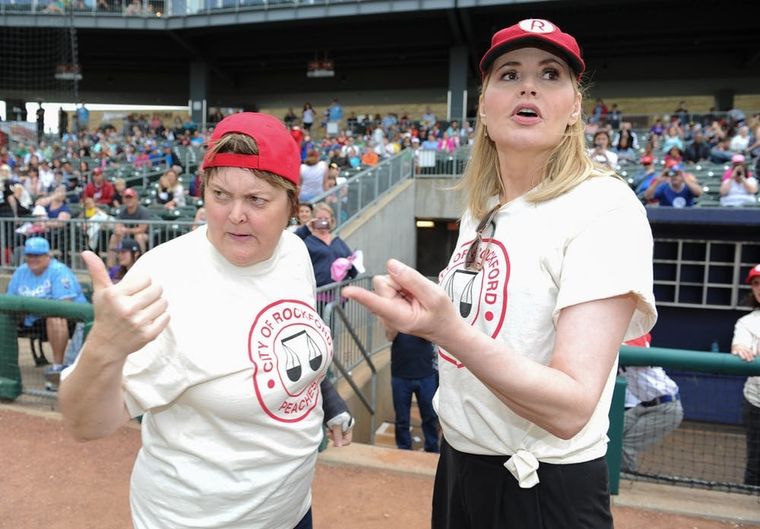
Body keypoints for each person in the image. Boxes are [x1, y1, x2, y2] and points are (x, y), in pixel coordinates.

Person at [343, 18, 656, 529]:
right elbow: (481, 325)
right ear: (483, 107)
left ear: (575, 107)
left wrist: (448, 332)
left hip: (541, 486)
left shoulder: (604, 207)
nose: (529, 84)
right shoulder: (483, 208)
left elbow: (571, 405)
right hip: (461, 465)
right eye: (508, 74)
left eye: (550, 74)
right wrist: (414, 315)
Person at [59, 112, 353, 529]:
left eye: (256, 199)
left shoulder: (294, 253)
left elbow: (292, 351)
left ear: (293, 207)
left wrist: (331, 405)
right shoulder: (164, 276)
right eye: (220, 195)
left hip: (292, 512)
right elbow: (83, 424)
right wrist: (103, 348)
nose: (235, 214)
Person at [7, 237, 87, 381]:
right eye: (29, 255)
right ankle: (5, 367)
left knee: (55, 316)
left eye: (37, 255)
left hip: (73, 319)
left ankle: (58, 366)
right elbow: (9, 301)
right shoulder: (21, 271)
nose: (32, 259)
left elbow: (64, 306)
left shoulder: (58, 271)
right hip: (33, 319)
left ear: (47, 256)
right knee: (4, 317)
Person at [620, 333, 683, 473]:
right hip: (642, 405)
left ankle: (626, 481)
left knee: (626, 446)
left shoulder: (635, 336)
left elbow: (642, 338)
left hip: (666, 406)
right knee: (611, 436)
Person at [295, 202, 358, 314]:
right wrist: (307, 228)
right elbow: (293, 242)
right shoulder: (307, 240)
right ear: (313, 220)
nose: (323, 221)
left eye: (326, 218)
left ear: (331, 220)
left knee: (333, 329)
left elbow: (351, 264)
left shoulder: (337, 240)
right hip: (316, 296)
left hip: (337, 295)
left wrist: (353, 266)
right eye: (319, 218)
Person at [386, 328, 440, 453]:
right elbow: (389, 336)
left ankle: (432, 450)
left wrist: (414, 321)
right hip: (400, 374)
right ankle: (404, 450)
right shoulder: (395, 312)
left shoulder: (425, 310)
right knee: (401, 419)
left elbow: (430, 335)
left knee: (430, 417)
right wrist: (397, 320)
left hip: (426, 372)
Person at [730, 264, 760, 487]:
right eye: (756, 283)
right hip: (756, 401)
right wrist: (739, 348)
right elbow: (739, 345)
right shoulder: (748, 322)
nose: (759, 287)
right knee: (756, 463)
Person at [107, 187, 151, 267]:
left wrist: (125, 230)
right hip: (127, 235)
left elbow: (142, 229)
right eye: (126, 198)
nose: (128, 200)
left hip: (145, 235)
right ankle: (111, 267)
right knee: (114, 237)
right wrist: (118, 230)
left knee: (139, 237)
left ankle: (142, 265)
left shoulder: (143, 211)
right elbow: (117, 225)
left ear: (136, 199)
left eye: (130, 197)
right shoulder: (122, 210)